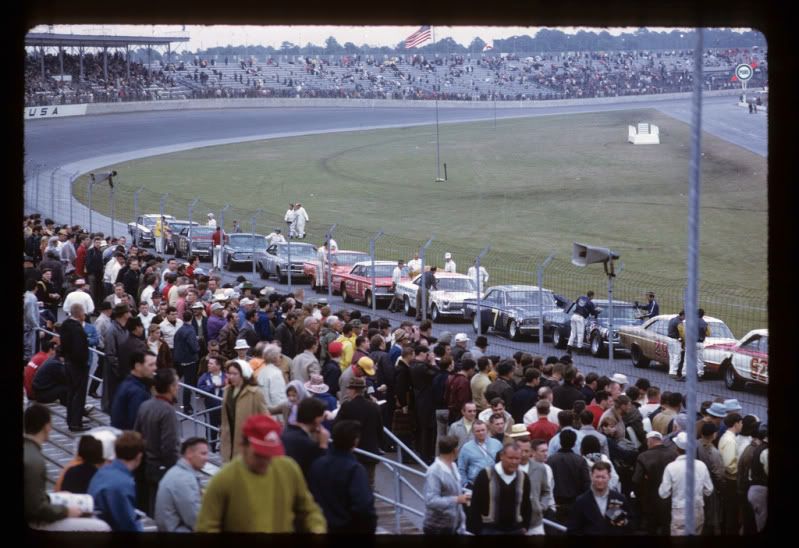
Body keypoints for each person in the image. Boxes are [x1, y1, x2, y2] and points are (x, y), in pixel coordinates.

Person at [196, 414, 327, 533]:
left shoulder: (288, 469)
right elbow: (206, 526)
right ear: (242, 446)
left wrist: (317, 528)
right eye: (259, 455)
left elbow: (309, 509)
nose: (266, 461)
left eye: (270, 455)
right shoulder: (223, 480)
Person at [24, 404, 111, 531]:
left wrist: (50, 498)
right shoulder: (34, 460)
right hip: (33, 520)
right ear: (46, 426)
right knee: (101, 527)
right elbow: (36, 509)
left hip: (34, 510)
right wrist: (66, 511)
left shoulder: (30, 452)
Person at [308, 420, 376, 534]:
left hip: (320, 525)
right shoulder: (355, 469)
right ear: (355, 441)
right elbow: (363, 506)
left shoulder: (317, 464)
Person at [134, 368, 181, 515]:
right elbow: (169, 446)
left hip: (147, 465)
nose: (178, 387)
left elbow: (137, 435)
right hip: (162, 467)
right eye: (176, 384)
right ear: (170, 387)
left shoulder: (145, 405)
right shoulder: (167, 411)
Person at [467, 442, 532, 535]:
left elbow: (526, 504)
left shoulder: (523, 477)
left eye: (517, 458)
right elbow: (475, 504)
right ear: (502, 456)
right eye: (510, 458)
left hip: (516, 530)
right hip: (490, 530)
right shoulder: (485, 475)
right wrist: (477, 530)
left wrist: (525, 526)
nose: (514, 462)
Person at [658, 432, 715, 535]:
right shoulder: (701, 465)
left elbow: (663, 493)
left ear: (676, 448)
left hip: (679, 510)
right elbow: (709, 490)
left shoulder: (671, 467)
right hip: (697, 509)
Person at [334, 377, 383, 489]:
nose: (347, 392)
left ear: (353, 390)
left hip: (352, 452)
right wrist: (380, 446)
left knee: (352, 484)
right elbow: (379, 429)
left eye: (348, 389)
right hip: (370, 452)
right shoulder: (374, 406)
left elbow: (336, 427)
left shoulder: (347, 406)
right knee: (369, 484)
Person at [154, 437, 209, 532]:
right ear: (189, 454)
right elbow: (195, 519)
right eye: (203, 454)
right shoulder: (184, 479)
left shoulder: (176, 472)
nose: (206, 458)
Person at [220, 359, 268, 463]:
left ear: (243, 374)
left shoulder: (255, 393)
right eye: (229, 373)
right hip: (229, 436)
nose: (231, 376)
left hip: (248, 440)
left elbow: (265, 418)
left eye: (235, 374)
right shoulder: (227, 391)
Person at [566, 461, 633, 535]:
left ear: (609, 477)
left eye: (603, 477)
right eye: (597, 477)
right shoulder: (581, 501)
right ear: (591, 476)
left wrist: (624, 521)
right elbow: (573, 529)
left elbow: (631, 525)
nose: (600, 480)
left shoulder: (619, 499)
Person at [423, 435, 469, 535]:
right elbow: (430, 501)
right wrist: (456, 499)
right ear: (455, 450)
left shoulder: (453, 465)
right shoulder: (434, 471)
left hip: (453, 526)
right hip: (437, 529)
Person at [59, 303, 92, 432]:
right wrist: (83, 363)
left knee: (71, 393)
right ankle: (76, 422)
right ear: (79, 313)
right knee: (78, 395)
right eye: (83, 312)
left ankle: (71, 420)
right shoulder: (77, 329)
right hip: (78, 366)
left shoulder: (65, 325)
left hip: (68, 363)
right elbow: (79, 350)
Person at [281, 397, 330, 481]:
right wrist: (323, 445)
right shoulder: (307, 444)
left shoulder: (284, 433)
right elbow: (321, 473)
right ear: (317, 419)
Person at [548, 429, 590, 524]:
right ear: (574, 443)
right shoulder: (580, 460)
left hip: (556, 503)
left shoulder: (551, 460)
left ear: (560, 442)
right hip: (574, 503)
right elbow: (586, 483)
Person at [110, 351, 157, 430]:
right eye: (151, 365)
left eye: (155, 364)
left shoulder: (127, 383)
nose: (155, 368)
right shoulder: (137, 391)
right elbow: (137, 422)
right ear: (138, 366)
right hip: (131, 438)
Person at [457, 420, 503, 488]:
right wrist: (465, 484)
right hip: (474, 485)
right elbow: (461, 468)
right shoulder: (466, 447)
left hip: (495, 483)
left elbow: (503, 463)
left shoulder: (497, 444)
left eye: (483, 430)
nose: (481, 433)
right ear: (473, 432)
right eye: (478, 431)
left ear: (487, 430)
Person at [173, 311, 201, 415]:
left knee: (177, 380)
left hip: (179, 360)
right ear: (192, 318)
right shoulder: (190, 330)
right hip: (189, 360)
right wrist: (198, 346)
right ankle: (187, 407)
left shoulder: (179, 330)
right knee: (188, 384)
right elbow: (194, 347)